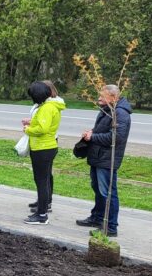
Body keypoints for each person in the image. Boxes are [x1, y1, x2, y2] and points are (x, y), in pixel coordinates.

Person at [76, 85, 131, 237]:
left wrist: (92, 137)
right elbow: (105, 131)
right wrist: (92, 132)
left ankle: (111, 227)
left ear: (114, 98)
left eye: (102, 96)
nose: (99, 98)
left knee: (108, 192)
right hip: (98, 156)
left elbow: (116, 138)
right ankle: (97, 218)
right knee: (98, 189)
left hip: (107, 159)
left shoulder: (120, 113)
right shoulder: (108, 109)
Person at [23, 82, 65, 225]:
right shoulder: (49, 106)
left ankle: (42, 215)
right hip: (45, 147)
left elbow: (42, 128)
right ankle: (41, 210)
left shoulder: (47, 108)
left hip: (43, 148)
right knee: (44, 180)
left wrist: (28, 130)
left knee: (41, 181)